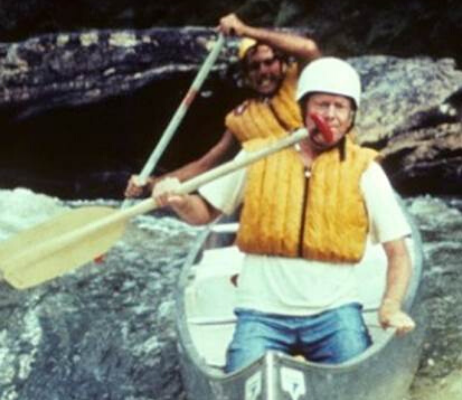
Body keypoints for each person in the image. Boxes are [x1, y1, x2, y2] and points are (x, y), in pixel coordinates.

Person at [153, 57, 416, 373]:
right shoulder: (257, 154)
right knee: (239, 376)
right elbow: (203, 213)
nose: (330, 115)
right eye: (322, 104)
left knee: (355, 376)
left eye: (340, 107)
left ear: (351, 117)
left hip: (334, 313)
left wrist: (390, 306)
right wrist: (179, 200)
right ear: (304, 108)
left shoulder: (365, 169)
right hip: (261, 315)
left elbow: (398, 254)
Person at [125, 13, 321, 198]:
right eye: (254, 67)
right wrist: (152, 184)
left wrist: (245, 30)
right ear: (246, 77)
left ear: (283, 64)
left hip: (324, 177)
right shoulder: (241, 117)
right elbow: (204, 166)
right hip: (282, 192)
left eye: (269, 62)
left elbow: (309, 48)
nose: (263, 71)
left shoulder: (302, 80)